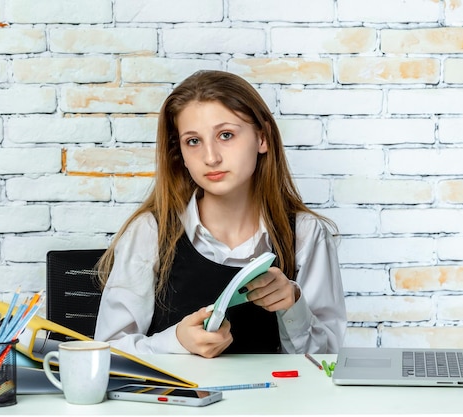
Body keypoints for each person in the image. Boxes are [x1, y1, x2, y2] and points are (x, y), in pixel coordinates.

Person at [94, 70, 346, 358]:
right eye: (193, 141)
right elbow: (106, 352)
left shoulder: (306, 233)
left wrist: (293, 305)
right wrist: (176, 342)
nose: (211, 157)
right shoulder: (150, 231)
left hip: (276, 402)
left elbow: (328, 361)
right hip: (176, 403)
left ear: (262, 138)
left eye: (226, 135)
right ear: (181, 155)